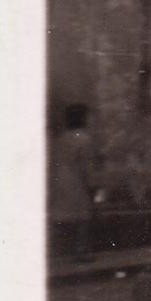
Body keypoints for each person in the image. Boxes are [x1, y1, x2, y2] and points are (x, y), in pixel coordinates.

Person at [48, 103, 101, 263]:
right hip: (76, 183)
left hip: (59, 182)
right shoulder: (85, 139)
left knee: (61, 218)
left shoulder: (59, 139)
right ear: (83, 118)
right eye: (89, 117)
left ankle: (60, 254)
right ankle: (81, 253)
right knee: (82, 218)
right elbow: (87, 168)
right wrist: (93, 185)